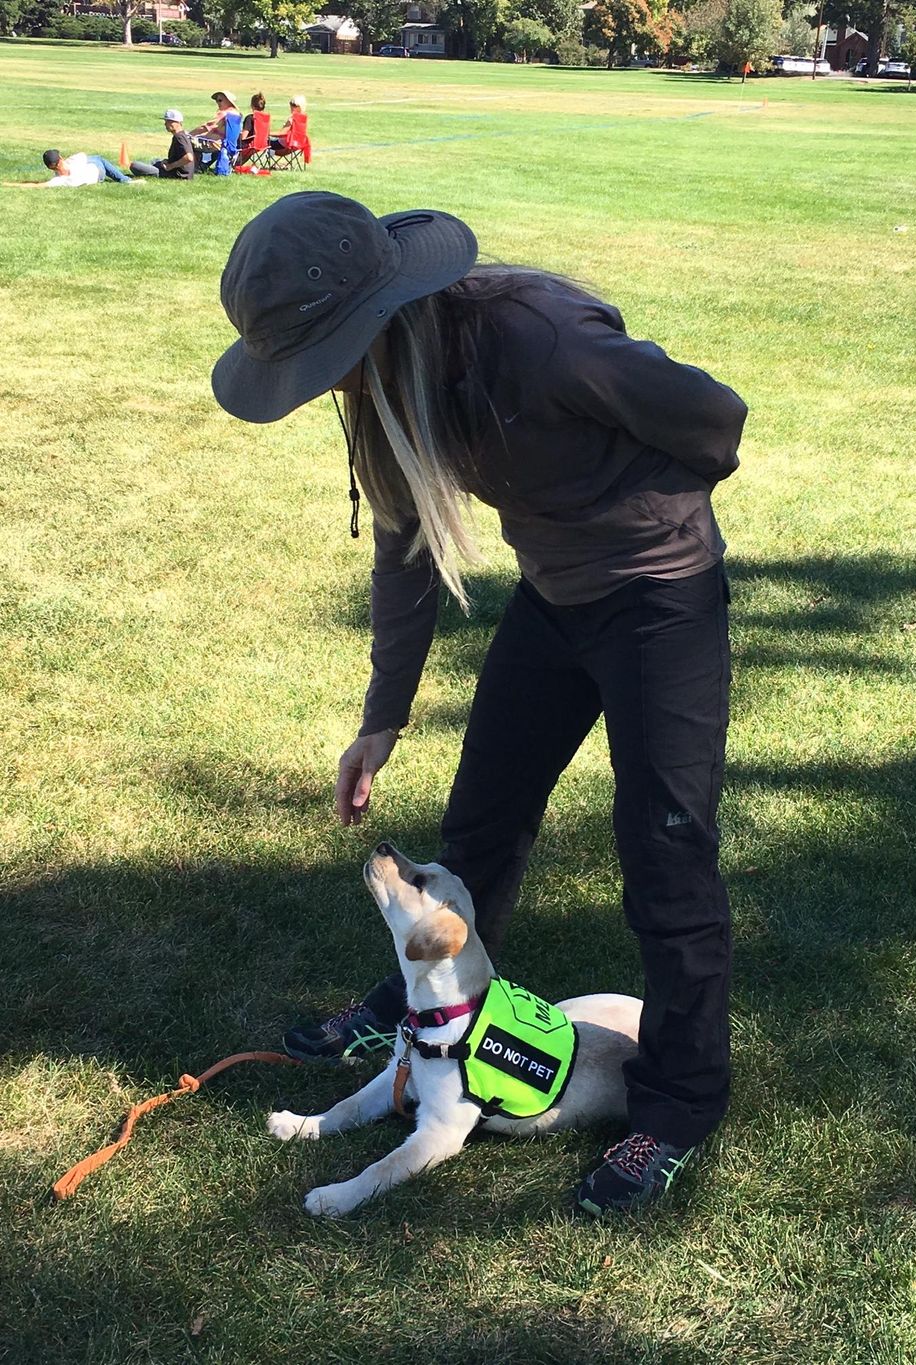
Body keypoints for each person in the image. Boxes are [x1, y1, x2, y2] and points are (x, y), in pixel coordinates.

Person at [211, 192, 747, 1216]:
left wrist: (630, 506)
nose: (330, 381)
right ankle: (417, 1016)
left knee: (666, 852)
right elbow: (406, 551)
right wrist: (384, 714)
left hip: (658, 602)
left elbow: (712, 419)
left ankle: (676, 1104)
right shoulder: (391, 386)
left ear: (380, 316)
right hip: (554, 601)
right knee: (479, 827)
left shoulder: (541, 344)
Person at [129, 111, 195, 180]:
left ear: (177, 122)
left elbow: (189, 158)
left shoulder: (179, 137)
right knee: (155, 161)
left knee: (134, 165)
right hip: (178, 172)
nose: (165, 124)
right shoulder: (181, 135)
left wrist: (170, 166)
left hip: (177, 175)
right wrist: (168, 161)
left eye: (168, 121)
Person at [34, 148, 140, 187]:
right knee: (98, 158)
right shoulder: (72, 163)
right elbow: (82, 156)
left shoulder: (59, 179)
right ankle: (125, 179)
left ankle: (123, 177)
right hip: (97, 170)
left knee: (94, 159)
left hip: (94, 174)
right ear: (60, 158)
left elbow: (42, 185)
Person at [190, 89, 239, 154]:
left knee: (182, 140)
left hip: (214, 144)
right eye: (217, 101)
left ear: (228, 101)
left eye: (220, 100)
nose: (218, 103)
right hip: (227, 146)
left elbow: (206, 127)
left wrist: (189, 134)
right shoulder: (236, 114)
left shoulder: (224, 113)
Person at [233, 92, 267, 168]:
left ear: (252, 105)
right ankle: (236, 164)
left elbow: (243, 137)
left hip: (249, 144)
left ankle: (230, 163)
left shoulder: (250, 118)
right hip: (262, 144)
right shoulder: (265, 118)